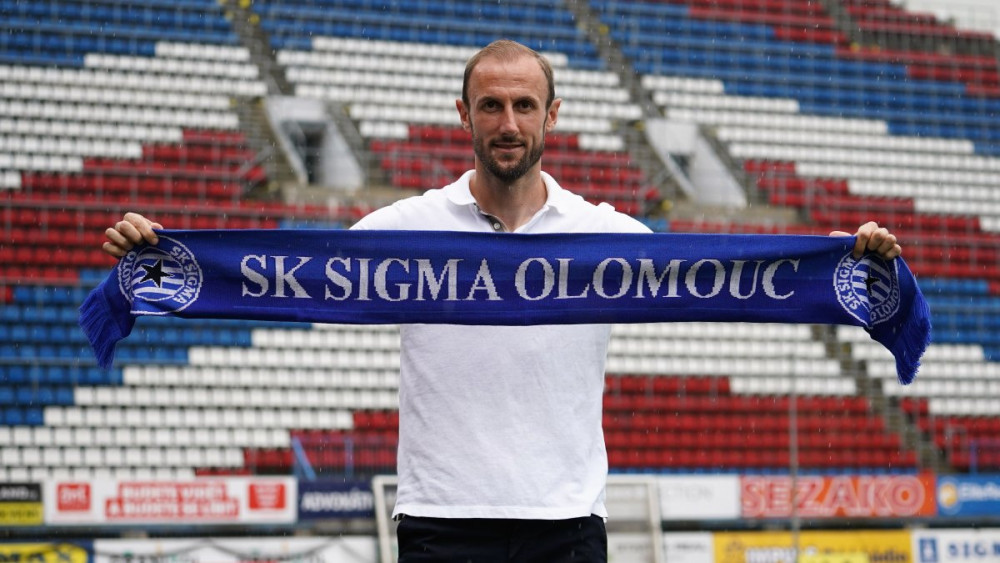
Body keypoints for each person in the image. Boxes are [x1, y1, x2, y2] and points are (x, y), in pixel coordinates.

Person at [103, 40, 901, 562]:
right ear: (465, 115)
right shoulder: (405, 229)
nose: (508, 122)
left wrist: (838, 260)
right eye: (491, 105)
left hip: (567, 526)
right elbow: (288, 276)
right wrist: (162, 257)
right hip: (441, 523)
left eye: (524, 105)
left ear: (552, 116)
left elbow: (724, 277)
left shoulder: (606, 236)